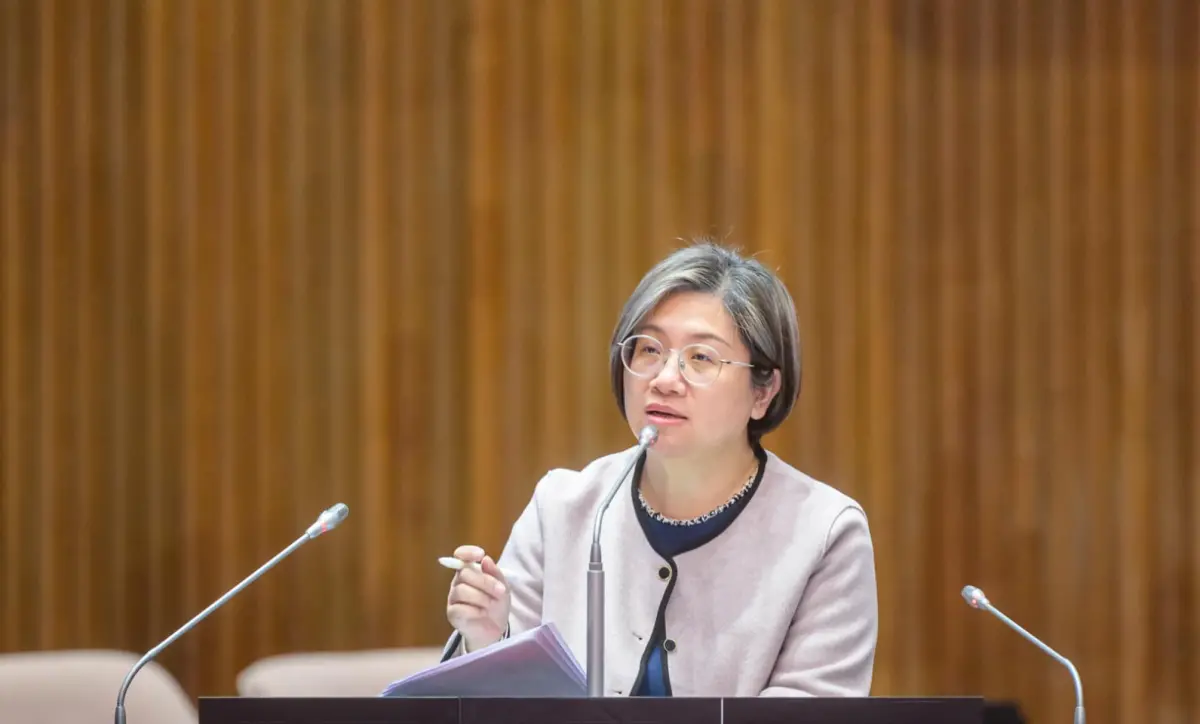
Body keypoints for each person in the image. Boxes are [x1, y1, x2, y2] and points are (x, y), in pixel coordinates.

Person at [440, 240, 878, 697]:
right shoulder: (564, 508)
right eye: (649, 350)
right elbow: (483, 706)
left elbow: (812, 709)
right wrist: (487, 641)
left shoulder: (825, 533)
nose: (665, 379)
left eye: (701, 358)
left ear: (762, 392)